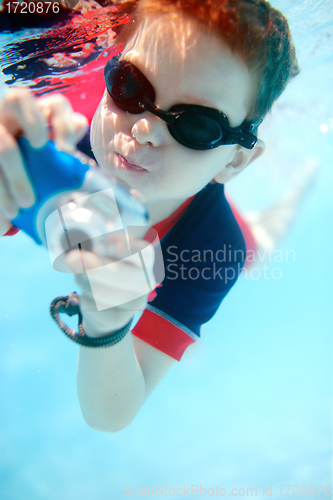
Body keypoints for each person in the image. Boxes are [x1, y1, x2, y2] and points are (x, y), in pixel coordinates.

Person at [0, 0, 299, 432]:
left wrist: (109, 328)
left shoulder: (214, 247)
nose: (143, 129)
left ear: (234, 162)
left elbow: (111, 414)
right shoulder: (65, 143)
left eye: (197, 126)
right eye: (128, 87)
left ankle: (288, 202)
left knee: (262, 243)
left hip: (206, 231)